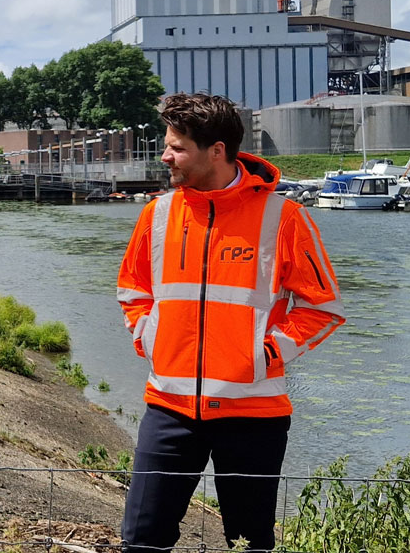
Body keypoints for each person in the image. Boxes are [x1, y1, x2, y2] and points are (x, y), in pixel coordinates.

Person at [117, 93, 345, 552]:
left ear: (216, 150)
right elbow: (132, 289)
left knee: (249, 542)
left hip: (253, 414)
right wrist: (150, 336)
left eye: (177, 147)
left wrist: (266, 354)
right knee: (141, 539)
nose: (166, 156)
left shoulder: (285, 219)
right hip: (169, 407)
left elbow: (323, 308)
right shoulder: (157, 215)